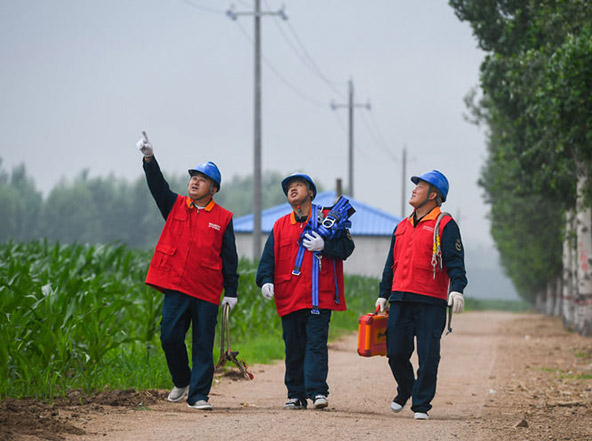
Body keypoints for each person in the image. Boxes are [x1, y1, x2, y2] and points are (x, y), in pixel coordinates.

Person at [137, 135, 239, 411]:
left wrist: (231, 291)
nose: (194, 181)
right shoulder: (175, 205)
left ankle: (198, 396)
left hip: (206, 290)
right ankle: (182, 380)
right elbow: (157, 186)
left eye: (202, 179)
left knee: (203, 345)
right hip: (177, 286)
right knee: (169, 336)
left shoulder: (223, 218)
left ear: (213, 189)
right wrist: (149, 159)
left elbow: (230, 257)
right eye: (193, 177)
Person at [256, 173, 355, 410]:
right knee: (293, 347)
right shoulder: (280, 225)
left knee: (316, 345)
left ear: (311, 192)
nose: (292, 189)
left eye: (298, 185)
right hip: (289, 296)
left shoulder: (328, 218)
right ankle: (296, 395)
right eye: (289, 187)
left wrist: (326, 246)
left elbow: (347, 247)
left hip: (318, 296)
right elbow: (268, 258)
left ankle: (318, 391)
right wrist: (265, 280)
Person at [376, 170, 467, 421]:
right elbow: (389, 265)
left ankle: (421, 404)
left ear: (434, 194)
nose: (414, 189)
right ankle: (407, 388)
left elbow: (456, 262)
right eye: (415, 185)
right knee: (395, 352)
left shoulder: (445, 224)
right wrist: (383, 294)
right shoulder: (401, 226)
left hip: (431, 301)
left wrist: (457, 288)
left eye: (421, 186)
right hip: (400, 299)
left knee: (428, 355)